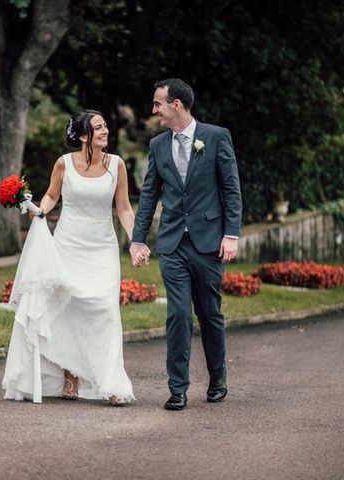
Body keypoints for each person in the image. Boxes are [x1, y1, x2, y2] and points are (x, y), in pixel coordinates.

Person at [2, 109, 136, 406]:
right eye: (98, 128)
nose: (105, 131)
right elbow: (52, 195)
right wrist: (40, 209)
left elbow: (124, 208)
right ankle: (71, 374)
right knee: (68, 309)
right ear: (84, 136)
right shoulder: (64, 164)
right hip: (68, 245)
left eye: (105, 126)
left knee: (107, 312)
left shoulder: (117, 165)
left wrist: (136, 241)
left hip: (102, 248)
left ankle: (112, 383)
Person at [130, 78, 242, 411]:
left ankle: (218, 378)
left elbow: (231, 189)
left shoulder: (217, 137)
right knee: (178, 314)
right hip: (173, 243)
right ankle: (177, 389)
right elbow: (149, 194)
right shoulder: (157, 146)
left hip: (209, 242)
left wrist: (231, 234)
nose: (154, 110)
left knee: (210, 314)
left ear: (176, 104)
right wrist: (138, 239)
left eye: (157, 104)